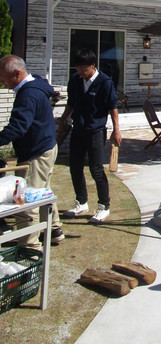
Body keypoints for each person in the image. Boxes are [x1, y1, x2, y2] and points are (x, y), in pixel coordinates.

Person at [0, 55, 64, 247]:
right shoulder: (36, 83)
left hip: (35, 152)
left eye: (4, 79)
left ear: (17, 74)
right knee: (43, 192)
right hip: (47, 146)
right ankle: (54, 230)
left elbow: (18, 126)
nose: (3, 84)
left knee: (25, 199)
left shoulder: (28, 95)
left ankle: (30, 247)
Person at [58, 48, 121, 223]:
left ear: (92, 65)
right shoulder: (75, 80)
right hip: (78, 129)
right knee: (75, 166)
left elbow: (113, 107)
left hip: (96, 131)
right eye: (77, 67)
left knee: (96, 169)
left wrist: (116, 130)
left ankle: (104, 206)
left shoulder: (105, 82)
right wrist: (63, 120)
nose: (80, 71)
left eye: (83, 68)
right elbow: (71, 103)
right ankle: (81, 201)